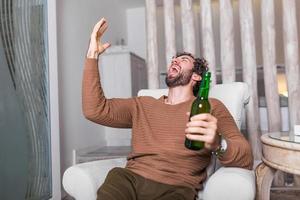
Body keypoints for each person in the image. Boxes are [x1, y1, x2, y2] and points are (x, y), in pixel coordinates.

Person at [82, 18, 253, 200]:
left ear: (196, 76)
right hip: (129, 180)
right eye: (173, 59)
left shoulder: (210, 106)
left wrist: (218, 144)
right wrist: (92, 55)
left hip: (177, 187)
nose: (174, 61)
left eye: (183, 59)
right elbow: (94, 110)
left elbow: (246, 157)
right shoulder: (143, 104)